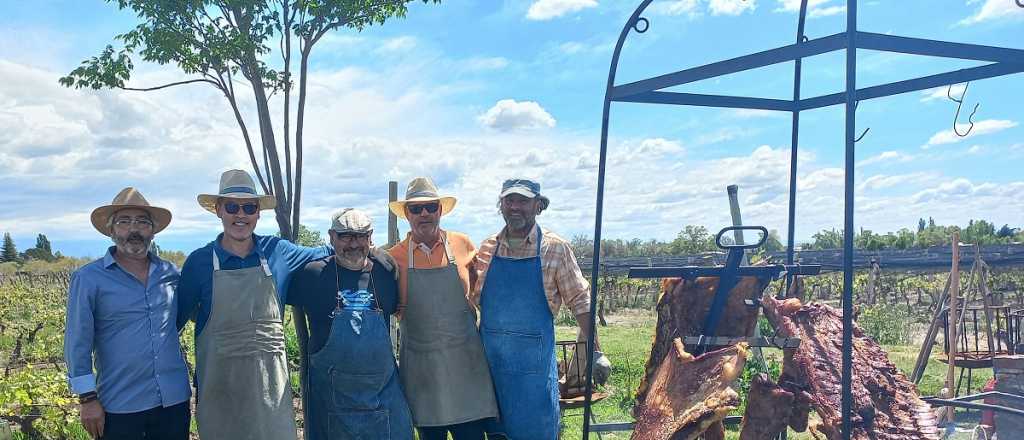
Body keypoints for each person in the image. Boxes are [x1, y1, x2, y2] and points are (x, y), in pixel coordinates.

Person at [177, 169, 330, 440]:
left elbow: (329, 252)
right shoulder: (198, 264)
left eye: (248, 207)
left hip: (272, 402)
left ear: (258, 212)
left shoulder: (278, 252)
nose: (241, 214)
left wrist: (375, 254)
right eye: (232, 206)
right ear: (218, 210)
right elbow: (176, 323)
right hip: (220, 400)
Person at [474, 178, 597, 440]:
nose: (515, 207)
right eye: (509, 200)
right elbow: (472, 302)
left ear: (538, 206)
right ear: (501, 205)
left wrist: (595, 351)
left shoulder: (555, 248)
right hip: (491, 374)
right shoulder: (487, 248)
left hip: (534, 378)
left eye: (523, 201)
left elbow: (581, 301)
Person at [64, 188, 190, 440]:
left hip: (174, 400)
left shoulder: (171, 273)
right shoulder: (88, 279)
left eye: (142, 222)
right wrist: (87, 399)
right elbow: (77, 342)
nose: (134, 229)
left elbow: (180, 320)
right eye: (124, 222)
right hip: (119, 404)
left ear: (152, 232)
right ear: (111, 231)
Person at [286, 208, 413, 439]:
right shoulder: (312, 275)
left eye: (361, 235)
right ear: (331, 236)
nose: (354, 244)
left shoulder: (386, 271)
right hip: (331, 403)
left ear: (370, 237)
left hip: (382, 399)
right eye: (345, 236)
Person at [388, 177, 498, 440]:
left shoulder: (464, 245)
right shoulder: (394, 258)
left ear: (440, 210)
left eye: (430, 206)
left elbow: (482, 294)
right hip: (423, 372)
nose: (424, 213)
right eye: (416, 208)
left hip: (466, 368)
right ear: (406, 214)